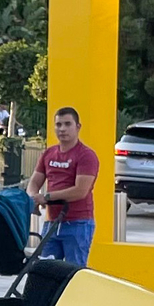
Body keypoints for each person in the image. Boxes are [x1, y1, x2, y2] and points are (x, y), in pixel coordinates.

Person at [27, 105, 99, 265]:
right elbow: (34, 182)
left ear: (78, 127)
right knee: (44, 271)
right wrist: (33, 197)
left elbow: (80, 191)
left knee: (73, 273)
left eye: (67, 124)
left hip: (78, 223)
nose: (62, 129)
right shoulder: (48, 153)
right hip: (51, 223)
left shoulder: (86, 155)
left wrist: (47, 197)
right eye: (58, 125)